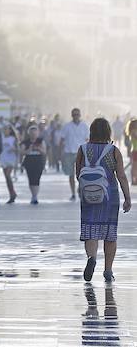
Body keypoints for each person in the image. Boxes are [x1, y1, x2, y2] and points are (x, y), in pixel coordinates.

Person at [76, 118, 131, 283]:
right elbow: (121, 176)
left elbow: (78, 174)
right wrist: (128, 198)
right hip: (109, 196)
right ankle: (108, 270)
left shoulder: (83, 150)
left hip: (88, 195)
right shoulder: (114, 151)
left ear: (91, 131)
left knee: (90, 229)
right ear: (108, 132)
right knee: (109, 234)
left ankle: (91, 258)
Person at [60, 108, 90, 201]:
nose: (76, 116)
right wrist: (60, 153)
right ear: (71, 115)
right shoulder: (67, 126)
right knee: (71, 174)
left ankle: (80, 189)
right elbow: (62, 140)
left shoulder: (84, 126)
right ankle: (73, 193)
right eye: (74, 114)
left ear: (80, 115)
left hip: (81, 153)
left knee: (81, 174)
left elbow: (88, 140)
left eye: (77, 114)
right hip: (68, 152)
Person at [21, 125, 47, 205]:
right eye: (32, 133)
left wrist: (38, 148)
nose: (33, 135)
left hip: (38, 160)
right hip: (29, 160)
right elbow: (22, 152)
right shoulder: (25, 142)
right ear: (29, 133)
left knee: (36, 179)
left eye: (35, 133)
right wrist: (29, 149)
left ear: (38, 133)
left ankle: (35, 196)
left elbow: (44, 152)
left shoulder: (41, 141)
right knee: (31, 179)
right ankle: (33, 195)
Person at [0, 124, 19, 204]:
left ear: (10, 130)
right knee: (7, 178)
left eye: (7, 129)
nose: (5, 131)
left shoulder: (13, 139)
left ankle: (13, 193)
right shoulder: (1, 138)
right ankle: (11, 193)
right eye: (4, 129)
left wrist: (13, 149)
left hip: (11, 158)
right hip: (3, 158)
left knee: (8, 175)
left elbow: (18, 149)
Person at [127, 119, 137, 186]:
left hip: (134, 150)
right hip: (135, 151)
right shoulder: (133, 132)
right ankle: (134, 180)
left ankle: (134, 180)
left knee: (134, 166)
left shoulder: (131, 131)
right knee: (134, 166)